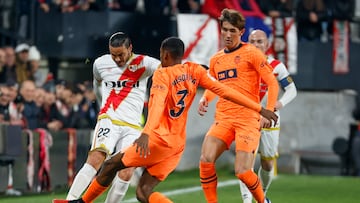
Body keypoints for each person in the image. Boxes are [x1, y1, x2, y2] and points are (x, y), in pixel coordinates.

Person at [52, 36, 278, 203]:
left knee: (111, 164)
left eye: (161, 54)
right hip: (176, 147)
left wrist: (146, 133)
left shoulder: (162, 74)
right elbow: (226, 91)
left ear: (166, 55)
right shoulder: (194, 71)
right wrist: (260, 108)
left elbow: (158, 106)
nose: (159, 58)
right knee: (143, 193)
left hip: (157, 140)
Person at [65, 32, 161, 203]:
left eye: (121, 54)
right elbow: (97, 86)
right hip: (110, 119)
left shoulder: (145, 63)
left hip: (133, 126)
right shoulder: (100, 63)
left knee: (126, 171)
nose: (117, 59)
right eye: (113, 54)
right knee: (96, 157)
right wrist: (103, 109)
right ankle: (70, 200)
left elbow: (167, 71)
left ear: (130, 48)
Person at [197, 9, 279, 203]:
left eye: (232, 30)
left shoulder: (252, 53)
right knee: (205, 159)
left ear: (241, 32)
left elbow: (273, 83)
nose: (227, 34)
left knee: (242, 171)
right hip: (224, 118)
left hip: (248, 119)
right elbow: (214, 84)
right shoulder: (216, 59)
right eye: (224, 29)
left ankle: (263, 201)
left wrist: (269, 111)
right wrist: (205, 99)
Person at [239, 29, 297, 203]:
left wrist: (277, 105)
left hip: (270, 120)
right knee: (245, 164)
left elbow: (292, 90)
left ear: (267, 45)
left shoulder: (276, 66)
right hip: (248, 120)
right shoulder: (241, 64)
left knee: (267, 164)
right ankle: (247, 200)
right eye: (252, 41)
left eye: (260, 41)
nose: (256, 45)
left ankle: (261, 197)